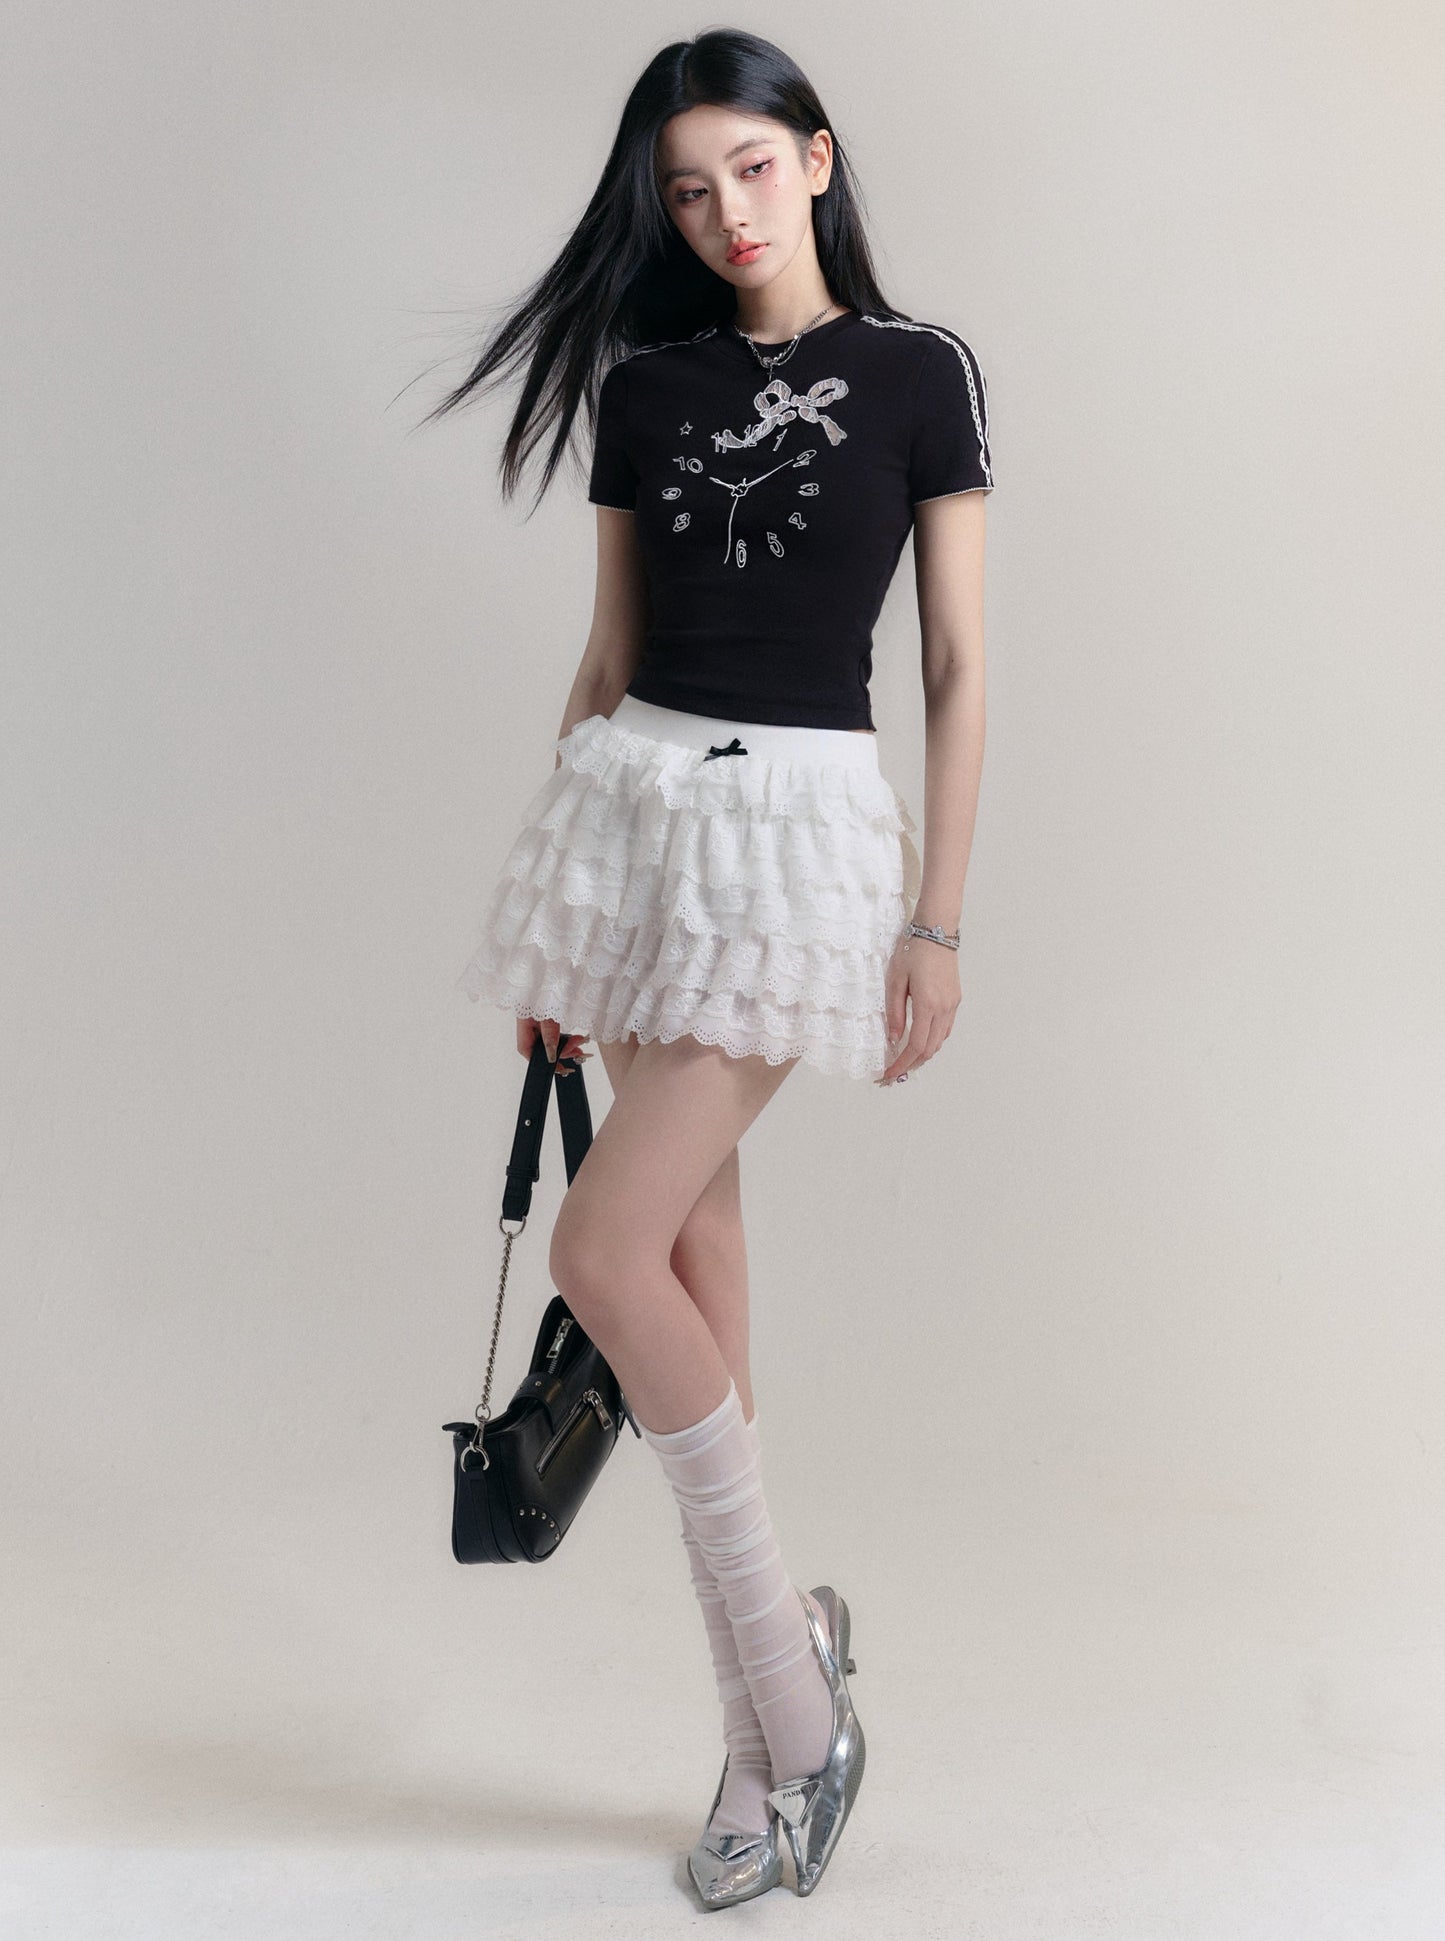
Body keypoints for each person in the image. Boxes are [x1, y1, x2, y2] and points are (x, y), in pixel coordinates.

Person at [431, 27, 992, 1908]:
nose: (724, 212)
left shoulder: (919, 374)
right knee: (694, 1268)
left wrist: (935, 919)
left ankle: (796, 1702)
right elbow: (608, 658)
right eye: (688, 191)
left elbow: (953, 666)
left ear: (815, 159)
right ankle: (760, 1735)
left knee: (603, 1253)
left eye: (751, 169)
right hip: (635, 816)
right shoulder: (646, 387)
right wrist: (558, 915)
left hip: (798, 834)